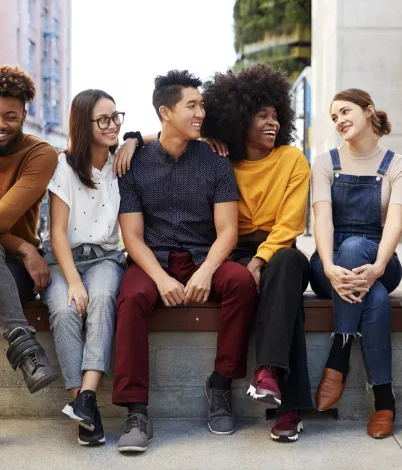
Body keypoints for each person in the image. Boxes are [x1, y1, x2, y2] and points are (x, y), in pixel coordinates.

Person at [112, 70, 257, 453]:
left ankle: (221, 386)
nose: (200, 113)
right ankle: (136, 411)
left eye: (202, 105)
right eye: (191, 106)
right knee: (130, 298)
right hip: (152, 261)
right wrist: (160, 279)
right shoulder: (134, 164)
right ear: (165, 112)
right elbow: (132, 237)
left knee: (242, 282)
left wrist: (208, 271)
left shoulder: (215, 161)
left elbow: (228, 231)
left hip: (201, 257)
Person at [200, 64, 312, 443]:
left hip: (279, 248)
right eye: (261, 115)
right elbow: (170, 137)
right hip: (232, 248)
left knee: (286, 267)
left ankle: (266, 371)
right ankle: (288, 409)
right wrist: (132, 139)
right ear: (237, 118)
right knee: (287, 302)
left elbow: (291, 223)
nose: (273, 122)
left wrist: (260, 260)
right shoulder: (220, 159)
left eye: (276, 116)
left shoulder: (292, 160)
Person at [309, 89, 402, 438]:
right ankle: (385, 400)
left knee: (357, 248)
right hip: (330, 264)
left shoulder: (397, 165)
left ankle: (338, 358)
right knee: (377, 299)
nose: (339, 120)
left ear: (369, 111)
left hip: (382, 261)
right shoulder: (325, 162)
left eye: (345, 111)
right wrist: (327, 265)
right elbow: (322, 220)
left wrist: (379, 266)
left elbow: (396, 225)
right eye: (334, 116)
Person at [41, 89, 127, 446]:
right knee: (64, 309)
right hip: (64, 259)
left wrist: (134, 140)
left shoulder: (121, 163)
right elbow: (58, 233)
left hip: (106, 257)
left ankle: (86, 398)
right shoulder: (63, 166)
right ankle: (83, 406)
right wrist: (74, 281)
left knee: (103, 298)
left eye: (116, 117)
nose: (113, 125)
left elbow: (162, 136)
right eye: (104, 120)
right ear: (83, 124)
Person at [0, 64, 58, 394]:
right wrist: (23, 246)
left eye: (10, 115)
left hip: (15, 271)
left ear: (24, 113)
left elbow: (3, 219)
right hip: (21, 254)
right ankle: (25, 348)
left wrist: (21, 250)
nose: (1, 125)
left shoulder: (40, 154)